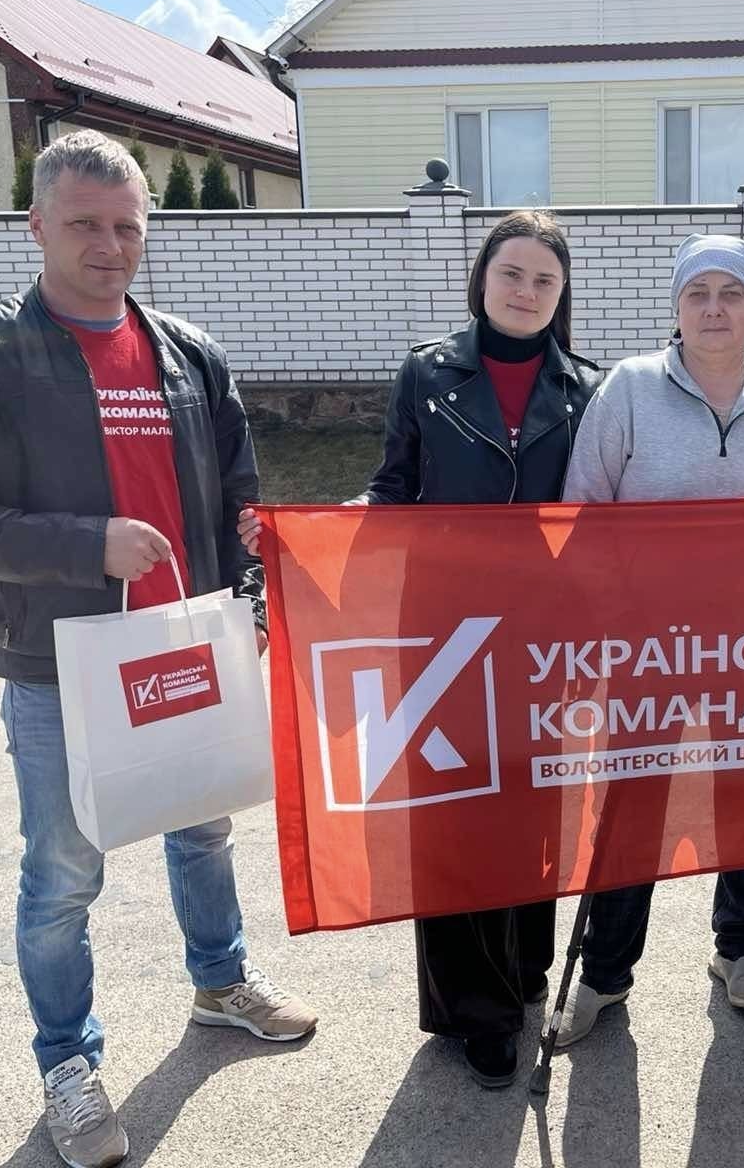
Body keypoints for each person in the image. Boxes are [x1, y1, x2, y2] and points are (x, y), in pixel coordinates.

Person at [0, 129, 315, 1168]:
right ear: (35, 224)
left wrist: (254, 591)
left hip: (188, 645)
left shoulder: (189, 353)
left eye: (127, 227)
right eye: (84, 223)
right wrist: (89, 545)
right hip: (60, 669)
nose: (109, 246)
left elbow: (240, 499)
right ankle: (68, 1064)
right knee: (63, 876)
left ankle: (220, 981)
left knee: (203, 831)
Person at [239, 210, 604, 1090]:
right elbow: (393, 488)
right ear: (482, 278)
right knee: (456, 811)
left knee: (531, 806)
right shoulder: (426, 372)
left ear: (562, 295)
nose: (525, 291)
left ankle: (522, 971)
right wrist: (317, 529)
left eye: (544, 280)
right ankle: (476, 1011)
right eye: (511, 273)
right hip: (442, 631)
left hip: (542, 635)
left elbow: (601, 511)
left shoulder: (585, 388)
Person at [553, 233, 744, 1046]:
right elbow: (583, 510)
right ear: (676, 307)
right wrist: (613, 623)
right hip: (649, 646)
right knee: (634, 802)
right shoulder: (629, 388)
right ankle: (604, 974)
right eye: (698, 293)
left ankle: (740, 950)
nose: (714, 310)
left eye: (732, 294)